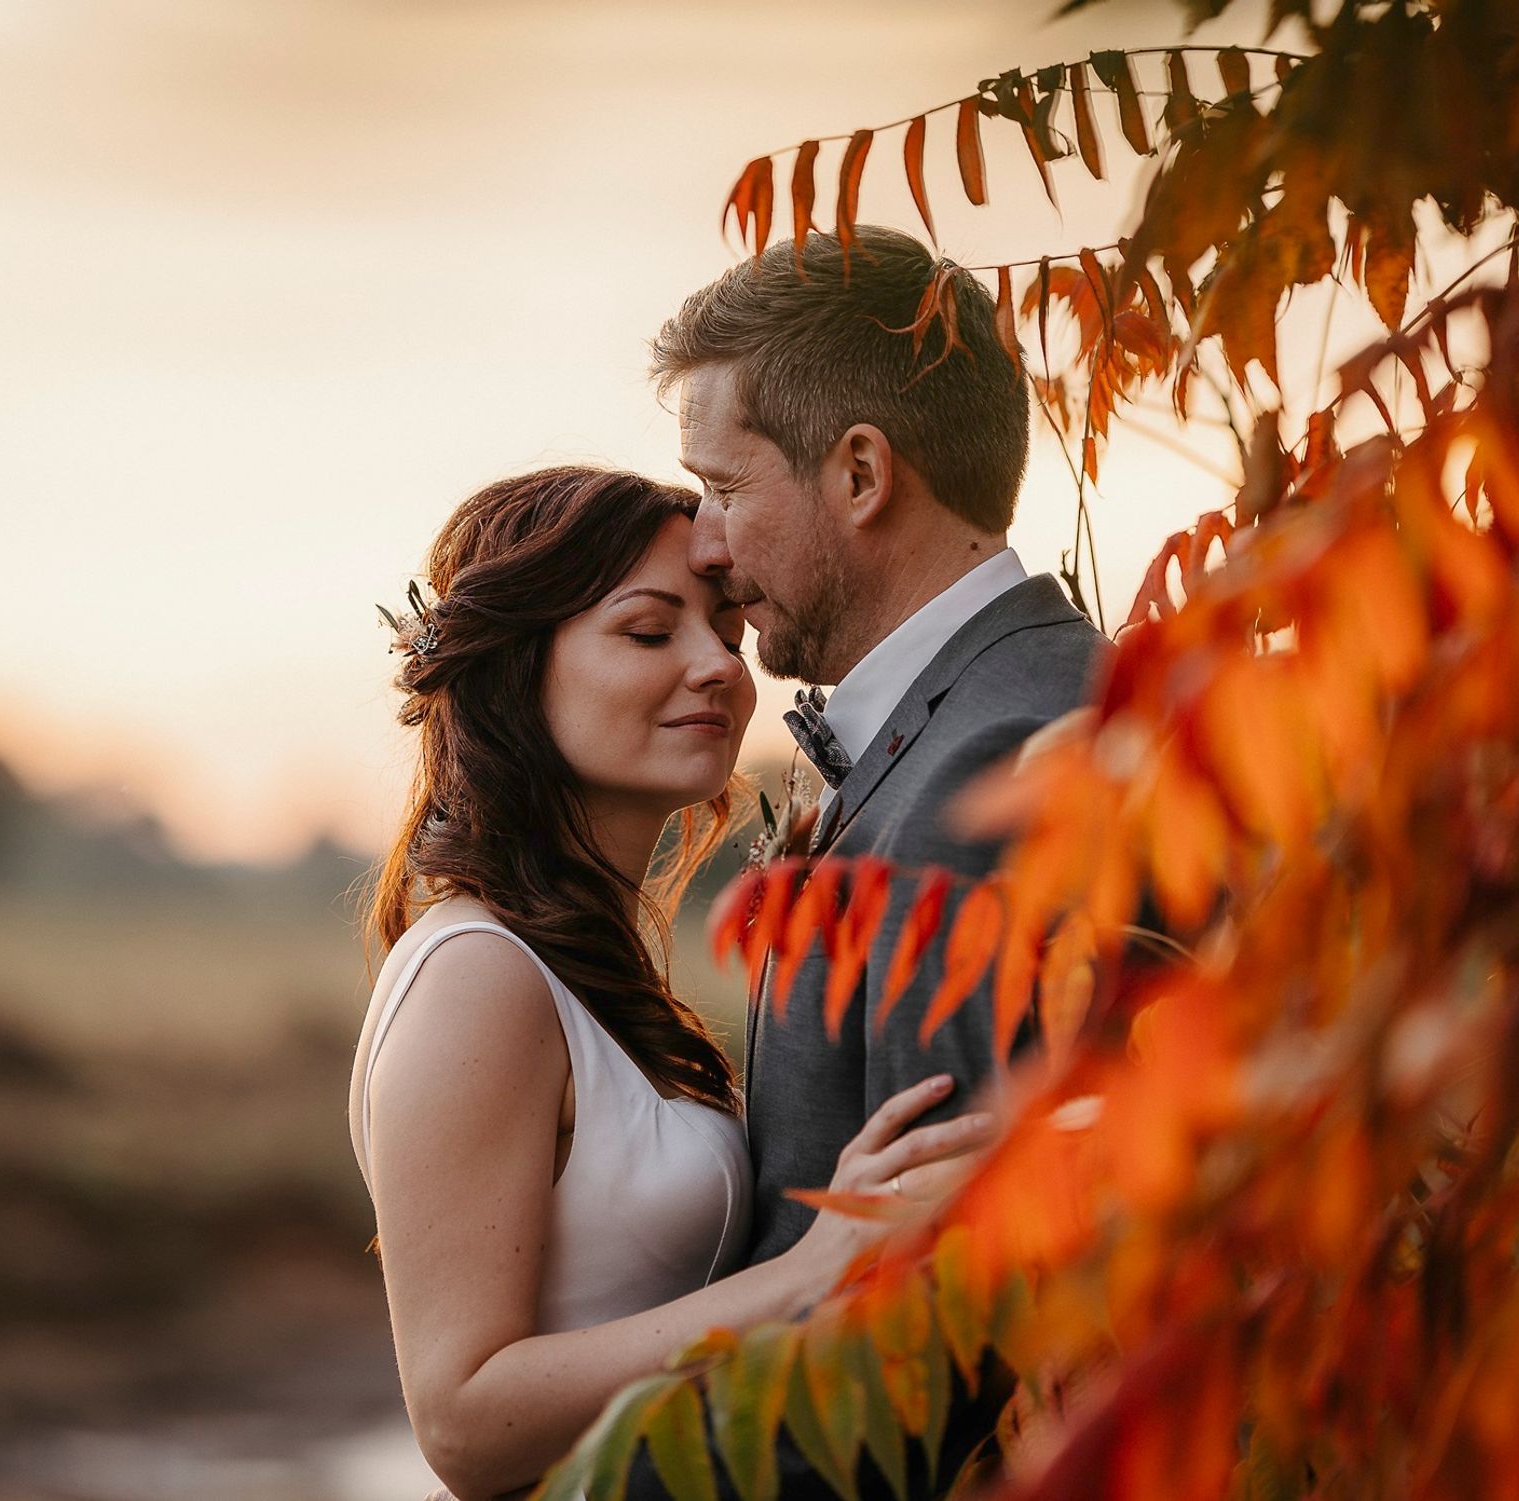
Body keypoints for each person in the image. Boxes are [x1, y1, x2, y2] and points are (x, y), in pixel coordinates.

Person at [348, 465, 996, 1501]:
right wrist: (813, 1269)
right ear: (515, 672)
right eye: (650, 633)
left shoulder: (588, 971)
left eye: (729, 634)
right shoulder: (478, 977)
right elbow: (462, 1421)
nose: (717, 670)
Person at [631, 226, 1111, 1498]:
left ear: (858, 473)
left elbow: (937, 1362)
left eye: (723, 489)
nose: (707, 548)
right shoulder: (1012, 703)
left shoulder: (988, 770)